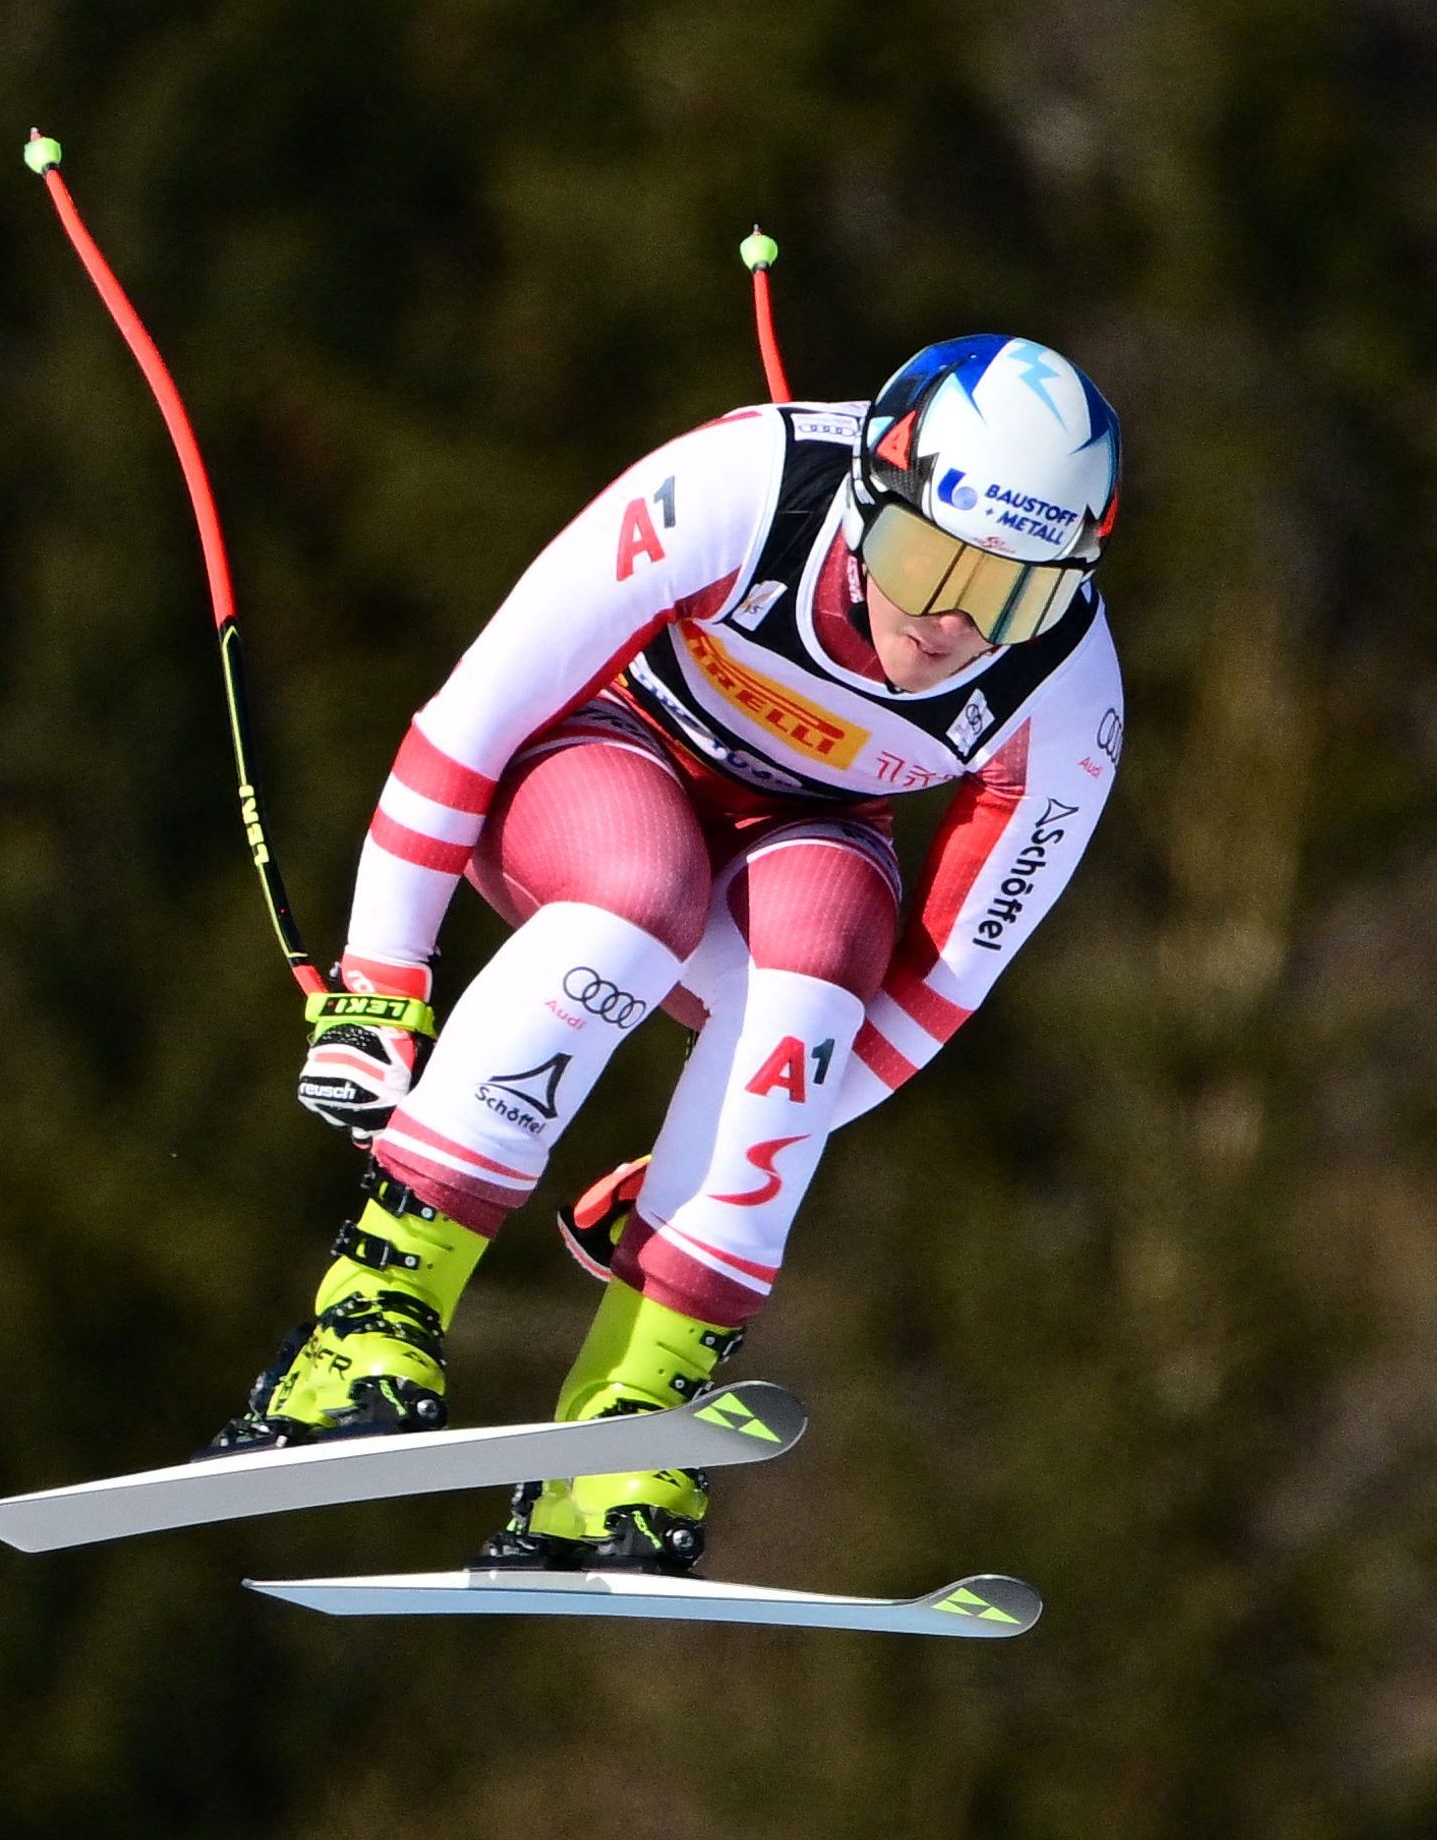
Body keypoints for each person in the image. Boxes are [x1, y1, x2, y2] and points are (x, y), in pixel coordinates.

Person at [205, 335, 1127, 1575]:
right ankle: (371, 1319)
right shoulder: (743, 491)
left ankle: (626, 1435)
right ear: (869, 498)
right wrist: (378, 986)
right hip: (597, 760)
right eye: (926, 558)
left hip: (804, 829)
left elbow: (935, 994)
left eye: (1011, 591)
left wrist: (721, 1155)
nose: (949, 618)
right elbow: (464, 731)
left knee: (821, 974)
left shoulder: (1067, 691)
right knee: (638, 897)